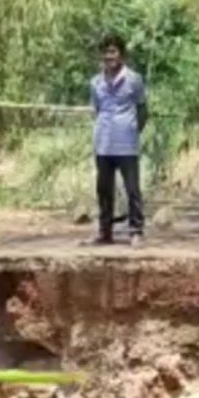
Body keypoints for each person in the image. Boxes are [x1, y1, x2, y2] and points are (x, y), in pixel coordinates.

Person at [85, 33, 149, 247]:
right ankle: (105, 232)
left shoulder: (134, 80)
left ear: (122, 55)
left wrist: (132, 130)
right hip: (103, 143)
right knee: (104, 190)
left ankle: (136, 231)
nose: (109, 56)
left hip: (127, 144)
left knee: (132, 189)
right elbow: (97, 110)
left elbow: (142, 110)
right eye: (105, 52)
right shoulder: (95, 83)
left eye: (113, 51)